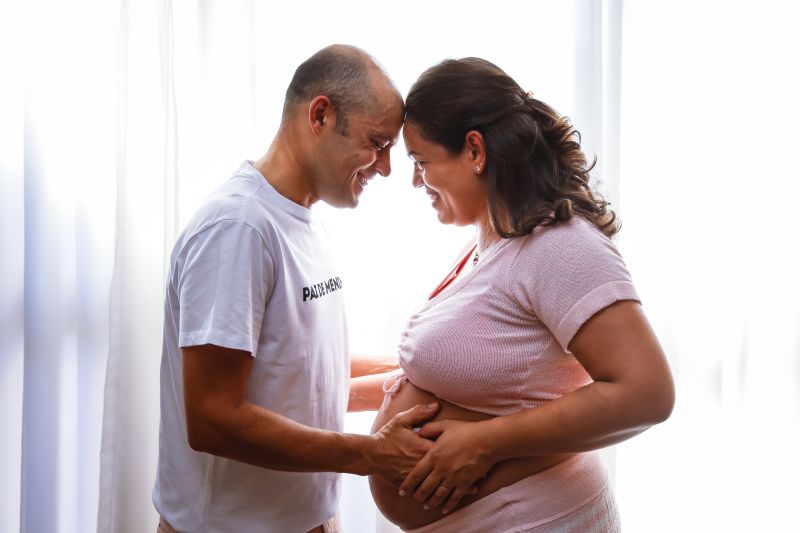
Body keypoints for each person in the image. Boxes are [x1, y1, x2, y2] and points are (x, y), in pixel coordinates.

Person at [368, 57, 675, 532]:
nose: (415, 181)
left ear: (475, 150)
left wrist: (484, 442)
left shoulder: (560, 245)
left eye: (421, 162)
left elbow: (647, 394)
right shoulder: (493, 241)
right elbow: (459, 376)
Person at [152, 45, 442, 533]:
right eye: (378, 143)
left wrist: (420, 371)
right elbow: (213, 418)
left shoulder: (304, 220)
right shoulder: (238, 228)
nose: (386, 168)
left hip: (310, 520)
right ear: (321, 115)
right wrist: (370, 455)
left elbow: (301, 369)